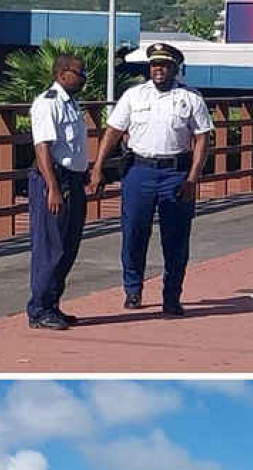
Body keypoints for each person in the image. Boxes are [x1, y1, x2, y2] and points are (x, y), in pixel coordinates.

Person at [89, 43, 213, 317]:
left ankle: (172, 295)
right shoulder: (133, 96)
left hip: (175, 172)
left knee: (176, 238)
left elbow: (203, 137)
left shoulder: (190, 98)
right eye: (155, 65)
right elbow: (113, 131)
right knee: (133, 232)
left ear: (175, 69)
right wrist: (98, 167)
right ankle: (132, 289)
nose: (159, 69)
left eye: (165, 65)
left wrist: (193, 177)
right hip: (139, 171)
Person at [26, 54, 90, 330]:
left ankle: (52, 304)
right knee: (51, 247)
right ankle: (39, 309)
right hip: (55, 180)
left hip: (73, 181)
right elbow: (42, 147)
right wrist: (52, 188)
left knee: (68, 247)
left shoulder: (72, 104)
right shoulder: (47, 103)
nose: (84, 77)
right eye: (79, 72)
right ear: (63, 74)